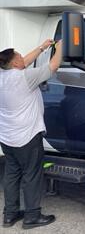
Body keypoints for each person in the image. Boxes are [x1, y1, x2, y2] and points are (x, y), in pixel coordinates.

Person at [0, 39, 62, 229]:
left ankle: (9, 215)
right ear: (15, 64)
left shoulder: (3, 75)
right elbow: (54, 65)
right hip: (27, 137)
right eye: (19, 55)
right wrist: (60, 48)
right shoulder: (25, 77)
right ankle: (32, 216)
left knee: (11, 174)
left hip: (7, 138)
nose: (22, 57)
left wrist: (43, 47)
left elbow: (24, 61)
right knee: (31, 175)